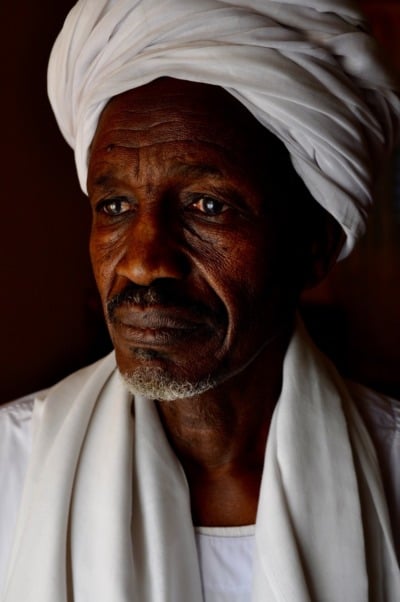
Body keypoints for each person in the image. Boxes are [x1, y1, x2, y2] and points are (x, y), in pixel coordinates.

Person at [1, 1, 400, 600]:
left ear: (313, 246)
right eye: (115, 207)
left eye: (207, 206)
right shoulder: (12, 470)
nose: (141, 261)